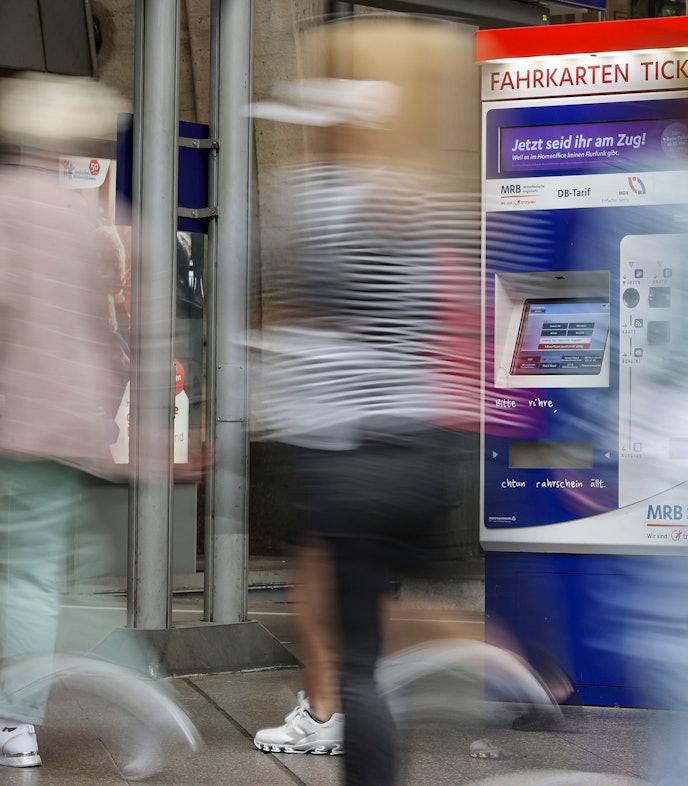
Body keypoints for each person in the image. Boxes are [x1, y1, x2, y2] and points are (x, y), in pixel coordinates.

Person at [249, 15, 486, 784]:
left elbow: (293, 311)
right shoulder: (437, 198)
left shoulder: (310, 197)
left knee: (353, 657)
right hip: (419, 452)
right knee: (369, 639)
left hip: (340, 456)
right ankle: (502, 655)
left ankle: (351, 725)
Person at [0, 72, 125, 768]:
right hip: (67, 426)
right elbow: (107, 336)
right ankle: (16, 722)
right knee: (33, 576)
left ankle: (14, 717)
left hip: (12, 418)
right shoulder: (85, 221)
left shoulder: (6, 206)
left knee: (17, 577)